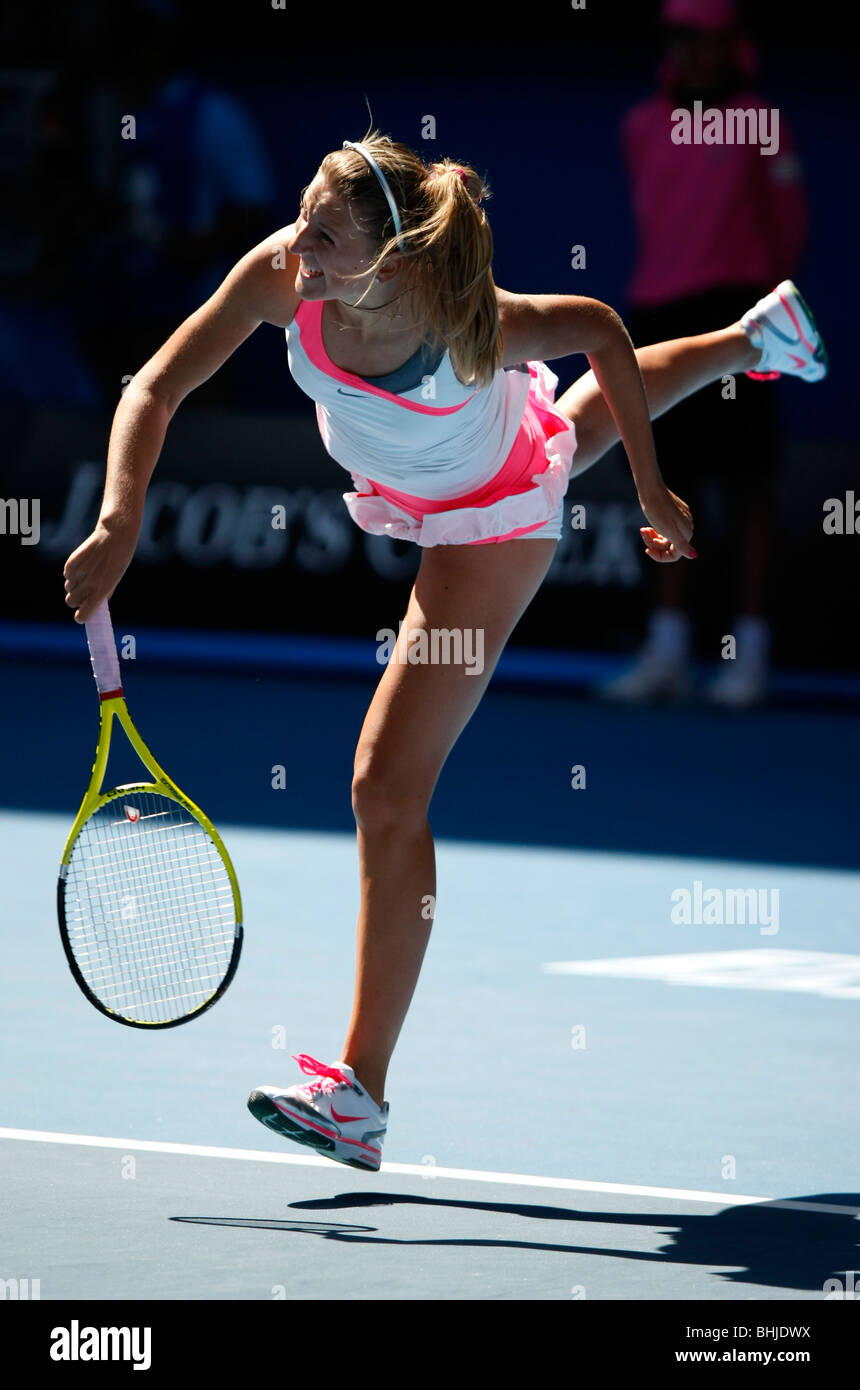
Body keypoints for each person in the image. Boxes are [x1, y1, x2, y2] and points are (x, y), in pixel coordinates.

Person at [62, 128, 827, 1171]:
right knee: (576, 422)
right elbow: (152, 386)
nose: (300, 243)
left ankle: (359, 1095)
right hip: (442, 472)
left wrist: (650, 491)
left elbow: (599, 323)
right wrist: (117, 521)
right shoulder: (281, 277)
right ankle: (755, 337)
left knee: (384, 787)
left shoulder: (461, 319)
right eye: (301, 214)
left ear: (387, 255)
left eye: (326, 233)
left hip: (487, 526)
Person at [600, 0, 810, 707]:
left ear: (733, 46)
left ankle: (748, 657)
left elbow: (787, 232)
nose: (696, 53)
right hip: (660, 315)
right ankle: (667, 651)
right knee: (663, 480)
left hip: (739, 319)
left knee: (749, 487)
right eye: (683, 39)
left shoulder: (762, 123)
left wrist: (758, 310)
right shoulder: (639, 126)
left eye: (710, 40)